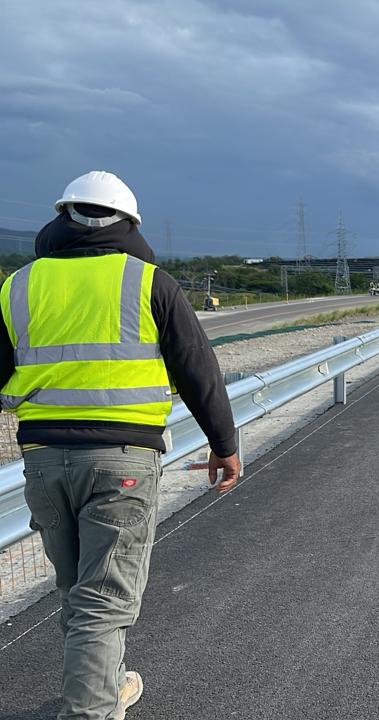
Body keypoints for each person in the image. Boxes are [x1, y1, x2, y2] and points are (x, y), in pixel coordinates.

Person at [1, 171, 241, 719]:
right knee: (104, 599)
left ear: (62, 217)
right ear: (129, 224)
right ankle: (90, 711)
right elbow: (198, 370)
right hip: (123, 461)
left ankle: (106, 688)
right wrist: (224, 445)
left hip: (42, 461)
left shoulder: (18, 286)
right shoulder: (150, 282)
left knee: (79, 589)